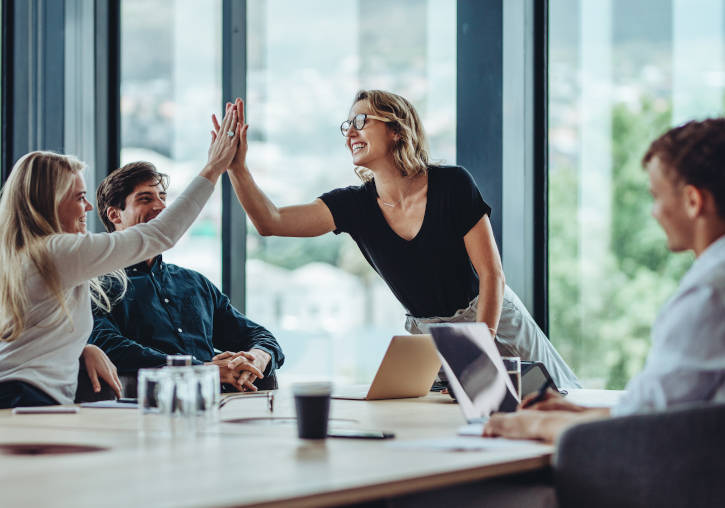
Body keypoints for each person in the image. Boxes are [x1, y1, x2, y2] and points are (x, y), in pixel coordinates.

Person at [214, 90, 580, 388]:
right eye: (347, 125)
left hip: (491, 316)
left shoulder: (452, 184)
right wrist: (238, 168)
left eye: (361, 121)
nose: (350, 132)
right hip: (430, 337)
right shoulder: (354, 205)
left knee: (560, 401)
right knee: (454, 428)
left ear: (397, 130)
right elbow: (270, 221)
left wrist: (477, 350)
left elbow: (492, 276)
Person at [483, 118, 725, 443]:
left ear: (694, 201)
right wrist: (579, 413)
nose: (654, 212)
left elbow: (641, 427)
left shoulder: (710, 291)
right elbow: (665, 408)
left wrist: (530, 425)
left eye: (656, 196)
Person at [0, 103, 241, 408]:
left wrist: (82, 349)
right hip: (27, 398)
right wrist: (213, 168)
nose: (87, 208)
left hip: (19, 396)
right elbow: (159, 235)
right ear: (49, 202)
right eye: (79, 197)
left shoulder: (24, 255)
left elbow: (33, 336)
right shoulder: (56, 251)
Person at [89, 161, 284, 392]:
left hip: (221, 408)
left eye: (162, 197)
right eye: (145, 198)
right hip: (148, 410)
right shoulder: (97, 286)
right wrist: (200, 369)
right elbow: (107, 345)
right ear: (115, 215)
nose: (161, 207)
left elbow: (259, 335)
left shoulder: (194, 283)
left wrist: (256, 358)